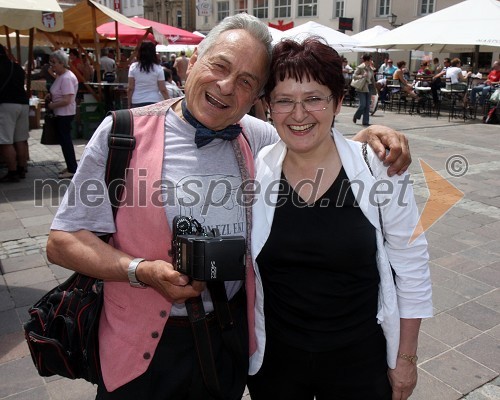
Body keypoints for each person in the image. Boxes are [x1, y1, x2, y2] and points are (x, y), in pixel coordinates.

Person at [46, 14, 411, 400]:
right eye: (219, 65)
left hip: (227, 343)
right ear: (195, 57)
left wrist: (369, 138)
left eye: (246, 82)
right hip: (143, 347)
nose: (225, 87)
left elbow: (313, 137)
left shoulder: (257, 138)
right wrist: (141, 270)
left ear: (257, 99)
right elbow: (63, 241)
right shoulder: (123, 133)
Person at [247, 37, 432, 400]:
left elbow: (412, 265)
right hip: (276, 363)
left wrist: (406, 359)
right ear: (268, 107)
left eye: (314, 98)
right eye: (284, 100)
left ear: (338, 103)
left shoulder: (378, 167)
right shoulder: (256, 168)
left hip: (360, 361)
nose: (299, 114)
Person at [45, 50, 79, 180]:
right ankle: (70, 166)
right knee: (64, 141)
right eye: (51, 63)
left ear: (62, 63)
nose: (52, 66)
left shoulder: (67, 77)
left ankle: (72, 168)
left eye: (54, 63)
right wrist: (51, 95)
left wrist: (52, 106)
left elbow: (67, 100)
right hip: (61, 113)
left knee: (66, 141)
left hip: (65, 114)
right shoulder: (60, 76)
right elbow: (58, 92)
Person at [0, 44, 29, 183]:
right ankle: (22, 168)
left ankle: (12, 172)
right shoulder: (16, 66)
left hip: (6, 104)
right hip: (23, 103)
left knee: (5, 140)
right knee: (20, 139)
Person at [127, 41, 169, 108]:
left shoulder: (133, 67)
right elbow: (163, 89)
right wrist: (168, 102)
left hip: (137, 100)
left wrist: (129, 103)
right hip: (154, 100)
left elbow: (130, 88)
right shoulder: (158, 68)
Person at [352, 54, 377, 126]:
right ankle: (356, 116)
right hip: (362, 87)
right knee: (363, 104)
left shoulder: (371, 68)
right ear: (367, 60)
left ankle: (365, 122)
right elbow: (354, 76)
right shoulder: (360, 67)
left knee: (367, 105)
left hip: (369, 87)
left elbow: (372, 79)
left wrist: (374, 87)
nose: (371, 61)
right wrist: (362, 76)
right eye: (370, 60)